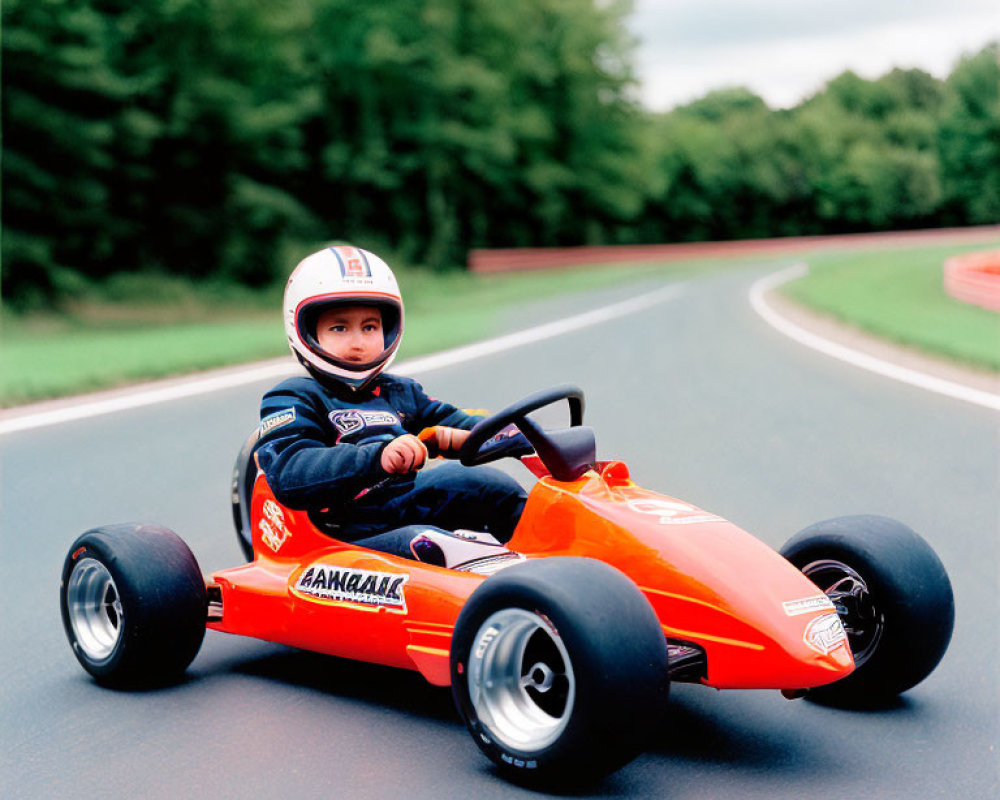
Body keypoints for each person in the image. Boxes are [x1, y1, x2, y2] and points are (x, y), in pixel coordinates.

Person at [255, 245, 527, 559]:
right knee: (429, 544)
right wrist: (378, 458)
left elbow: (459, 422)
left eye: (369, 327)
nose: (358, 343)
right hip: (341, 535)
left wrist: (520, 436)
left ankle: (553, 562)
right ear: (305, 330)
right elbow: (290, 473)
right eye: (339, 327)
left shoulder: (400, 392)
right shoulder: (294, 397)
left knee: (488, 486)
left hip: (404, 504)